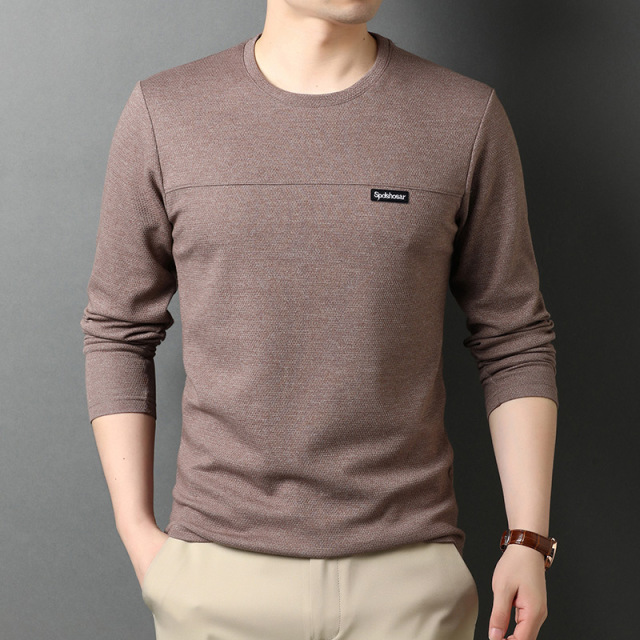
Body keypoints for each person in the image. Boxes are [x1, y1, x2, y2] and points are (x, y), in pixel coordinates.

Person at [80, 1, 559, 639]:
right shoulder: (165, 112)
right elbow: (118, 329)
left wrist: (529, 539)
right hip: (216, 579)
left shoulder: (463, 116)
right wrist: (138, 534)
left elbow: (514, 337)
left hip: (408, 583)